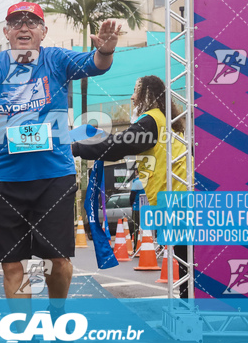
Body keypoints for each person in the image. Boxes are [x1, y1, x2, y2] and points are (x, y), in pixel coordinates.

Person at [0, 1, 119, 343]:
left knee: (59, 261)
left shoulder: (55, 60)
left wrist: (105, 48)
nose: (23, 27)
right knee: (14, 266)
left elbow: (97, 64)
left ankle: (57, 319)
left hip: (53, 177)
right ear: (6, 33)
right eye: (15, 22)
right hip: (6, 179)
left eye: (32, 22)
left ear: (43, 32)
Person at [71, 75, 189, 297]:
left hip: (176, 199)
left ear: (148, 95)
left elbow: (116, 146)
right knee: (186, 261)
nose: (132, 97)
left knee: (185, 263)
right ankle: (190, 307)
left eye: (136, 91)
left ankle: (190, 312)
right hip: (179, 197)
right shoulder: (168, 120)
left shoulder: (151, 121)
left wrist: (76, 148)